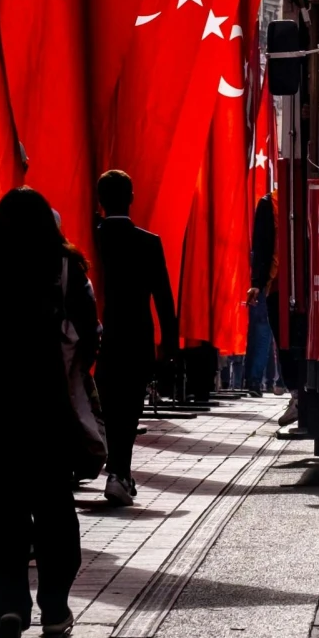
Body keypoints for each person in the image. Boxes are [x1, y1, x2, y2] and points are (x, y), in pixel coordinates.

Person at [0, 187, 100, 638]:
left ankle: (7, 607)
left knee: (2, 510)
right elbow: (89, 337)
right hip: (49, 405)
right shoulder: (65, 269)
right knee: (55, 509)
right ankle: (55, 606)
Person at [91, 171, 177, 506]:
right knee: (129, 406)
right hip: (138, 334)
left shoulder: (91, 239)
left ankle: (116, 470)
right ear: (131, 197)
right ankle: (119, 474)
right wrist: (169, 347)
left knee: (108, 405)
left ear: (100, 200)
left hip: (101, 333)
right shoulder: (149, 242)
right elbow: (164, 298)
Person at [247, 193, 278, 396]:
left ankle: (256, 381)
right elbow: (260, 247)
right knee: (266, 330)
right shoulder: (270, 204)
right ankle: (261, 381)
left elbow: (259, 246)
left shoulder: (269, 203)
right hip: (273, 280)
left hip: (273, 279)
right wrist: (257, 282)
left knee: (264, 330)